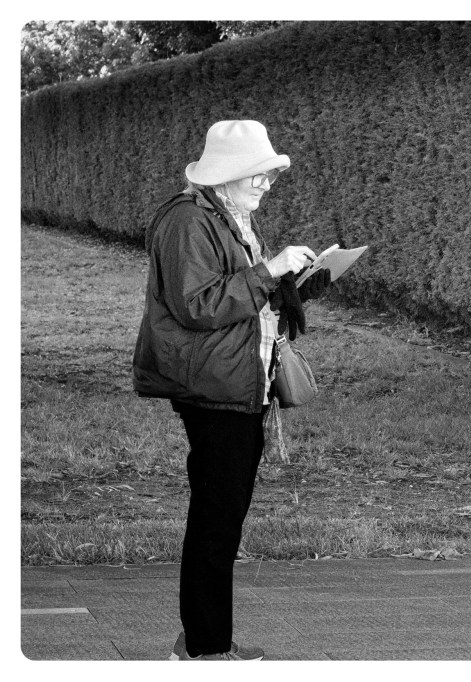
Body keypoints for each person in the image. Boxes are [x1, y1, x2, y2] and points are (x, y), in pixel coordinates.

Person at [132, 120, 331, 660]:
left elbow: (241, 300)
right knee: (217, 522)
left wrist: (303, 281)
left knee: (221, 517)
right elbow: (198, 306)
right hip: (212, 388)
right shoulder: (187, 221)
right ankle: (203, 650)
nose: (267, 184)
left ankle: (199, 641)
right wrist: (269, 271)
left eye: (269, 175)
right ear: (227, 175)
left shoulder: (227, 218)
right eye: (258, 175)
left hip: (238, 382)